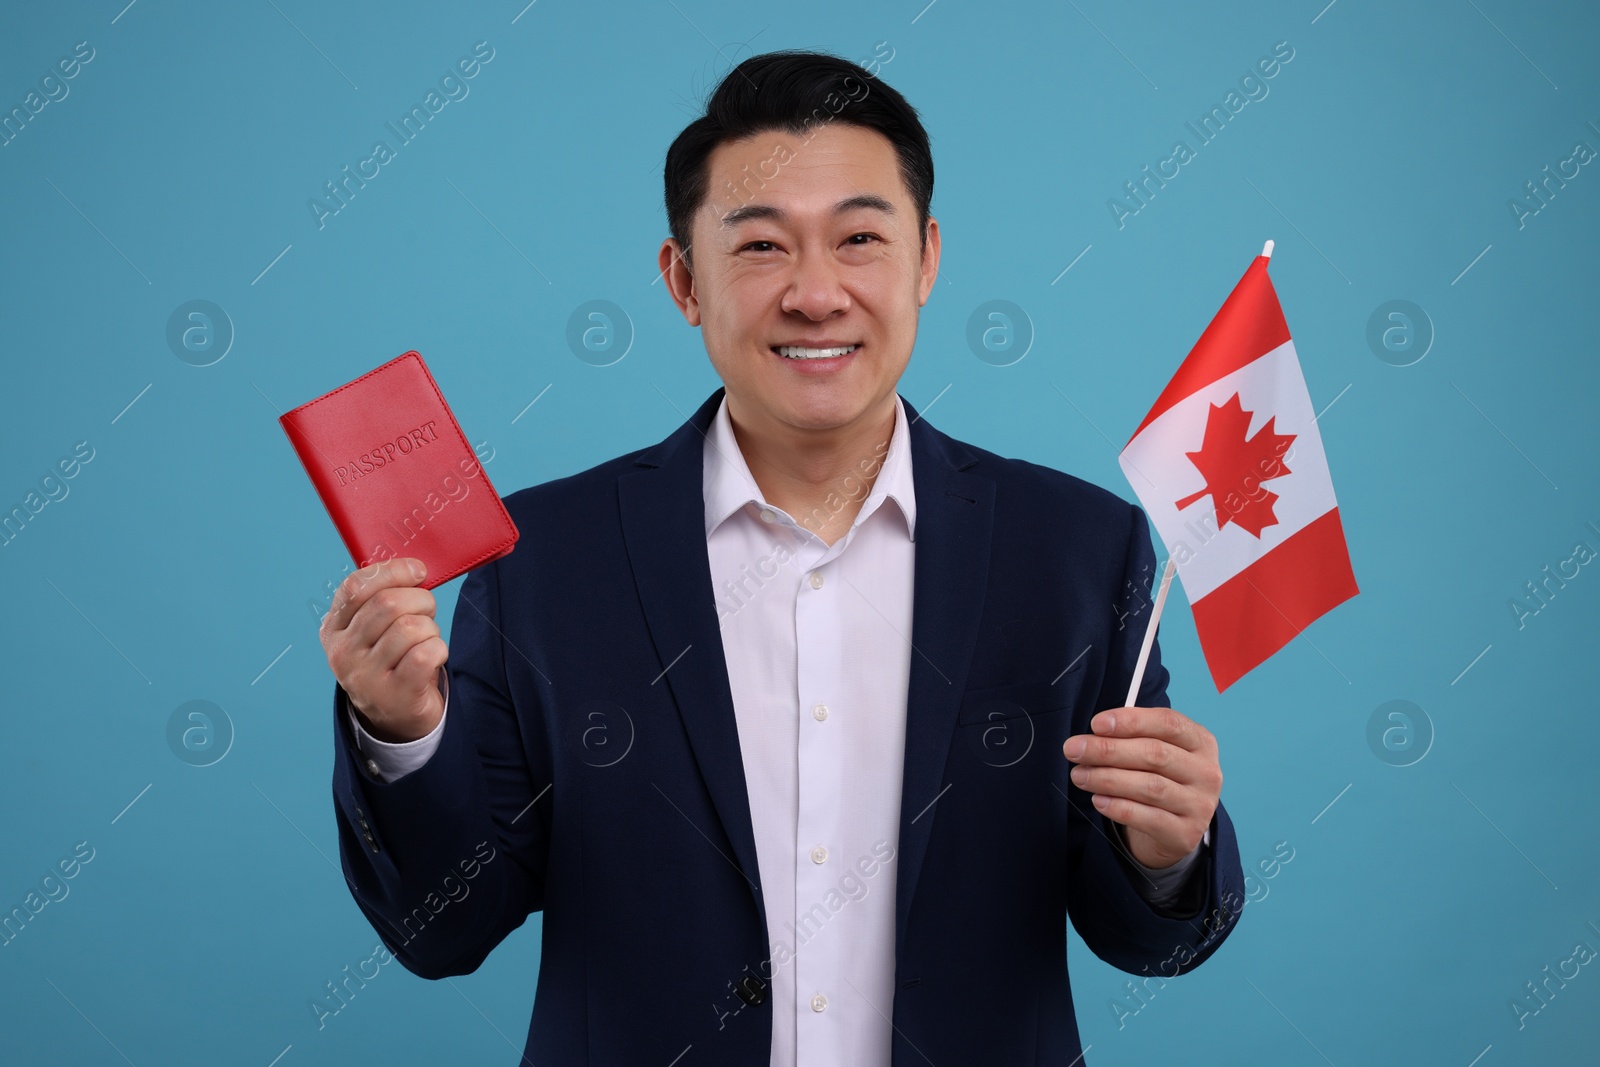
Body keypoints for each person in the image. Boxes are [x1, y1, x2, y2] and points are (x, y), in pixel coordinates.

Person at [319, 48, 1245, 1066]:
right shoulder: (542, 559)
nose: (815, 293)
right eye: (760, 247)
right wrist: (402, 732)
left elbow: (1151, 944)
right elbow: (443, 930)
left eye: (858, 238)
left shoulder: (1078, 549)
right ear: (683, 281)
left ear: (926, 259)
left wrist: (1165, 852)